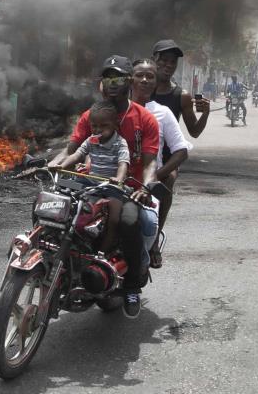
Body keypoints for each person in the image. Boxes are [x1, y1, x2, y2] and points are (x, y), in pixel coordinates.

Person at [49, 55, 160, 318]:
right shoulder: (91, 116)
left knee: (130, 221)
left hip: (126, 188)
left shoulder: (145, 119)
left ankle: (132, 287)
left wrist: (145, 187)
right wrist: (49, 166)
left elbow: (149, 162)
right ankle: (57, 267)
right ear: (101, 83)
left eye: (119, 77)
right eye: (108, 78)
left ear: (129, 81)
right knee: (54, 207)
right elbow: (70, 150)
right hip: (92, 183)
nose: (113, 83)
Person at [131, 58, 192, 269]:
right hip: (116, 178)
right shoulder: (116, 109)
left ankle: (153, 243)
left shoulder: (162, 113)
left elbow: (181, 151)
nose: (145, 80)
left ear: (156, 83)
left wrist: (156, 176)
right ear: (130, 79)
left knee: (148, 221)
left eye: (150, 77)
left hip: (146, 181)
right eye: (139, 75)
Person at [55, 99, 130, 254]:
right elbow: (77, 155)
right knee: (63, 194)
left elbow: (123, 164)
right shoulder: (90, 140)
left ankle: (103, 251)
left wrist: (118, 179)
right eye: (94, 126)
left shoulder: (120, 143)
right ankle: (61, 237)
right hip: (90, 183)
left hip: (111, 186)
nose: (98, 130)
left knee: (115, 218)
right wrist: (62, 166)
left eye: (104, 126)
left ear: (115, 125)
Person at [151, 39, 211, 140]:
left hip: (169, 155)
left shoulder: (182, 96)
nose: (169, 65)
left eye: (173, 61)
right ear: (153, 60)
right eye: (164, 60)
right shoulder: (138, 90)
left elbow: (194, 132)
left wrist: (205, 113)